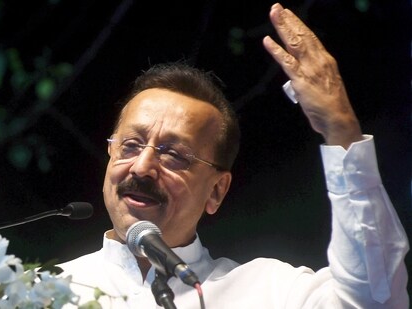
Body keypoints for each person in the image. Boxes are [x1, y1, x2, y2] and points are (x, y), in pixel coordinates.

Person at [58, 3, 409, 308]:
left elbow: (375, 300)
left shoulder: (270, 292)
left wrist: (342, 131)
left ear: (216, 191)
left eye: (174, 155)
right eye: (130, 146)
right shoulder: (41, 290)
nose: (143, 166)